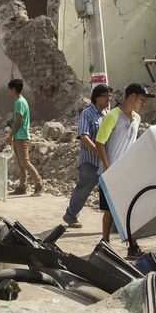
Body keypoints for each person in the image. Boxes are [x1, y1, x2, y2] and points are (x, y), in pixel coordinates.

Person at [95, 83, 154, 243]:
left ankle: (132, 245)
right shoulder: (112, 116)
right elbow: (99, 143)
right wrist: (108, 168)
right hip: (111, 172)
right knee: (110, 211)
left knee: (130, 209)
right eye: (142, 99)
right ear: (132, 96)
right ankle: (105, 242)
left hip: (127, 172)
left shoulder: (137, 118)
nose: (144, 103)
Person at [61, 84, 112, 228]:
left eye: (110, 97)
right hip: (91, 161)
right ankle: (70, 216)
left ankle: (114, 222)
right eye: (106, 96)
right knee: (83, 190)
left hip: (106, 161)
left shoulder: (107, 115)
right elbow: (83, 136)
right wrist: (98, 150)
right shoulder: (87, 113)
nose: (109, 99)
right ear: (97, 98)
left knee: (110, 193)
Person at [4, 79, 43, 196]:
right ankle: (22, 186)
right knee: (20, 163)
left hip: (21, 137)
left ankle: (39, 183)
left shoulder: (19, 102)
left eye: (10, 90)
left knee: (25, 162)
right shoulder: (20, 101)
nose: (9, 92)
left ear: (14, 90)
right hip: (18, 137)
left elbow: (18, 122)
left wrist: (10, 135)